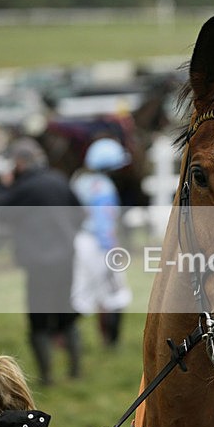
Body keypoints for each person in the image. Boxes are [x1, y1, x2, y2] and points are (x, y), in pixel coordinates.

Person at [0, 137, 84, 386]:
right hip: (66, 257)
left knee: (39, 321)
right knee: (66, 313)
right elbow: (80, 213)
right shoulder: (58, 179)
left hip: (39, 263)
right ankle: (75, 371)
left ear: (20, 163)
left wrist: (4, 186)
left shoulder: (24, 187)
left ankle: (47, 378)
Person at [70, 138, 133, 349]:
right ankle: (111, 343)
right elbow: (104, 222)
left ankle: (64, 335)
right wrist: (113, 249)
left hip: (80, 241)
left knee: (83, 292)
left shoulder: (78, 180)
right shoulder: (103, 187)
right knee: (115, 294)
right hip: (99, 244)